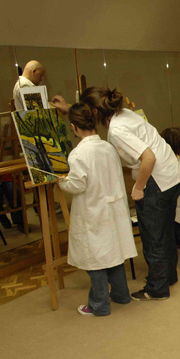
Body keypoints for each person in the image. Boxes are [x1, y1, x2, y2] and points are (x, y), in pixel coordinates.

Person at [52, 87, 180, 301]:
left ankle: (157, 288)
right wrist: (68, 109)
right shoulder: (124, 113)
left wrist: (138, 187)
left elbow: (148, 158)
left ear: (94, 112)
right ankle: (168, 276)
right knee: (166, 231)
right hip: (171, 174)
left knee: (153, 237)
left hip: (155, 178)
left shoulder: (117, 129)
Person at [58, 103, 137, 316]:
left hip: (93, 210)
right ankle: (121, 295)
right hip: (113, 208)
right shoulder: (108, 147)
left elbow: (77, 185)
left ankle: (98, 305)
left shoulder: (78, 154)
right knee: (114, 252)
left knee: (96, 259)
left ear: (74, 127)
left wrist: (61, 181)